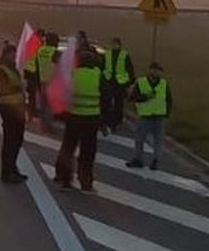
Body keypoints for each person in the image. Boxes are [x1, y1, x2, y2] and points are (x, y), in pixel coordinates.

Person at [54, 46, 103, 192]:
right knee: (88, 152)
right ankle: (86, 183)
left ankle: (64, 179)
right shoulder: (98, 75)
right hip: (92, 119)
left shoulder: (72, 74)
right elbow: (106, 97)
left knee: (68, 148)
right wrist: (105, 119)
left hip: (73, 117)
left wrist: (60, 114)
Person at [0, 42, 28, 184]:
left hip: (18, 108)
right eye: (12, 54)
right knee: (10, 141)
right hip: (8, 109)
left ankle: (13, 168)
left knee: (18, 140)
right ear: (6, 54)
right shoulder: (0, 70)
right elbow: (2, 89)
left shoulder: (13, 69)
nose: (14, 56)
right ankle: (6, 172)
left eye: (15, 54)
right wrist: (19, 86)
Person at [126, 62, 172, 170]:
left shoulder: (164, 83)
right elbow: (133, 97)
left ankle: (156, 160)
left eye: (158, 71)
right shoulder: (141, 82)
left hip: (159, 116)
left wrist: (167, 113)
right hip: (145, 115)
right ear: (150, 70)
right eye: (154, 70)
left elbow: (169, 99)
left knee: (158, 140)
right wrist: (146, 97)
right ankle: (138, 159)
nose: (156, 72)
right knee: (140, 139)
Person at [101, 37, 135, 133]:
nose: (114, 46)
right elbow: (102, 67)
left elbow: (130, 69)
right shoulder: (107, 54)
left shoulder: (124, 55)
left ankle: (115, 123)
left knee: (118, 105)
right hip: (108, 82)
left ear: (119, 45)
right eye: (113, 44)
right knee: (106, 103)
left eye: (116, 44)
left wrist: (130, 82)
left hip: (120, 83)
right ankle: (106, 122)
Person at [36, 32, 59, 127]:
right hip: (52, 81)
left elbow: (37, 64)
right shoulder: (55, 52)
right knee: (50, 106)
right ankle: (48, 125)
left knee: (43, 104)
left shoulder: (40, 50)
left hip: (42, 79)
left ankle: (42, 123)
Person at [23, 28, 44, 115]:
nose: (42, 38)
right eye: (41, 36)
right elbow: (38, 56)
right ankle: (32, 109)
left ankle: (32, 107)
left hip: (28, 69)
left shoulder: (29, 41)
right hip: (33, 69)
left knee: (32, 90)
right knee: (33, 91)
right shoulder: (38, 43)